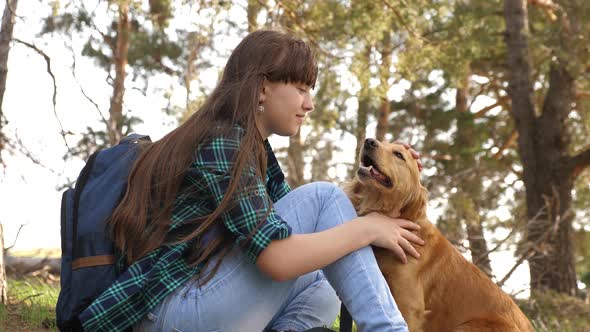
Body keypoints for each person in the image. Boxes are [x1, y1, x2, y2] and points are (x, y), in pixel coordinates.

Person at [79, 29, 425, 332]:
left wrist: (390, 175)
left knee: (326, 265)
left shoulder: (251, 146)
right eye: (302, 88)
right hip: (168, 314)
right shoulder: (222, 142)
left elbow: (309, 236)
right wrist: (368, 229)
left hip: (200, 300)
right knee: (323, 201)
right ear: (262, 89)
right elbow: (278, 258)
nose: (310, 103)